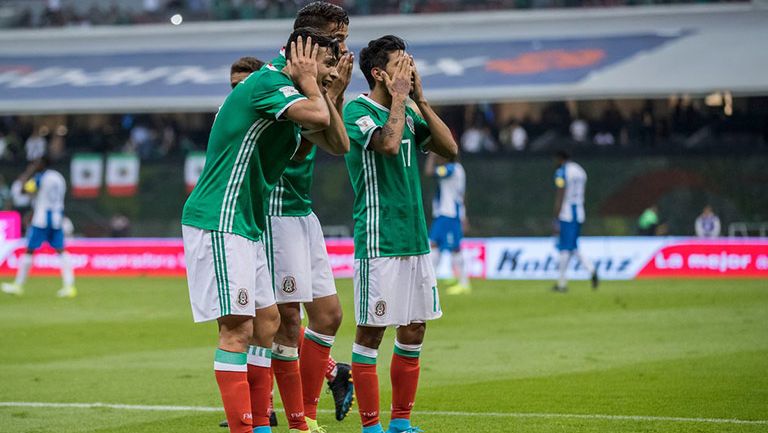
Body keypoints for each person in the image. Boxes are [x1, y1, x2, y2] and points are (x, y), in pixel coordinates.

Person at [180, 29, 344, 433]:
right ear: (303, 56)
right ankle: (245, 429)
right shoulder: (270, 83)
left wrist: (328, 88)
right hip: (220, 218)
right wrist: (312, 83)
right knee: (237, 327)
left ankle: (263, 424)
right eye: (326, 64)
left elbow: (338, 144)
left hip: (246, 223)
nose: (330, 74)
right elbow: (320, 117)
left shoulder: (290, 96)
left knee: (267, 321)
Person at [343, 35, 458, 433]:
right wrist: (400, 100)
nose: (409, 71)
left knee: (414, 328)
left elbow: (450, 149)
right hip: (379, 239)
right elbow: (388, 145)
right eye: (401, 65)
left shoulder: (410, 109)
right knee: (372, 331)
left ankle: (400, 424)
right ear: (379, 73)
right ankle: (371, 426)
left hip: (414, 237)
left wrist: (420, 101)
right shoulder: (356, 110)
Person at [261, 3, 356, 432]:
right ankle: (292, 419)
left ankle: (308, 409)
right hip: (274, 212)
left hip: (301, 211)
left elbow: (337, 145)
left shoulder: (316, 77)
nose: (345, 49)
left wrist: (332, 91)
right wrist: (327, 93)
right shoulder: (282, 79)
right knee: (285, 321)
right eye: (341, 40)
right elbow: (293, 150)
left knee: (329, 315)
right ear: (319, 38)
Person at [2, 157, 76, 298]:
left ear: (42, 163)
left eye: (36, 163)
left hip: (42, 219)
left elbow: (23, 190)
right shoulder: (59, 177)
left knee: (29, 250)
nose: (34, 165)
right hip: (56, 218)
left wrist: (28, 172)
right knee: (60, 250)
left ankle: (18, 285)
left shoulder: (41, 178)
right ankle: (69, 286)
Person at [552, 150, 598, 293]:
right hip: (579, 212)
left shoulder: (562, 172)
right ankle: (590, 271)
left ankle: (562, 283)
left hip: (567, 213)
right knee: (572, 247)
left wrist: (556, 214)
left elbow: (561, 192)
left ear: (560, 158)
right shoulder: (581, 171)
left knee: (566, 247)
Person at [426, 152, 470, 295]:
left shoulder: (451, 169)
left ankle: (464, 283)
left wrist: (431, 155)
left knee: (454, 248)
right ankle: (431, 281)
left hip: (449, 215)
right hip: (445, 214)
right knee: (434, 244)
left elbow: (429, 171)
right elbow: (461, 195)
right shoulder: (457, 169)